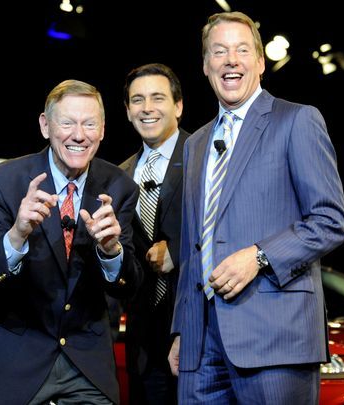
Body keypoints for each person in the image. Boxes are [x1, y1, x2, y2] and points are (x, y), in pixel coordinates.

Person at [168, 11, 344, 404]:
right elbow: (192, 245)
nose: (230, 60)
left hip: (275, 339)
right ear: (205, 66)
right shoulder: (195, 144)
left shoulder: (297, 120)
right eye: (219, 51)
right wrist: (184, 329)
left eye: (241, 50)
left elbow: (331, 220)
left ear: (261, 61)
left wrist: (260, 256)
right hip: (202, 347)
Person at [0, 79, 143, 405]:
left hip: (85, 359)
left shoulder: (119, 187)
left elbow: (128, 286)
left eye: (90, 124)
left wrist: (111, 252)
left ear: (103, 130)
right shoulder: (4, 181)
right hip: (16, 355)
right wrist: (17, 234)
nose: (79, 135)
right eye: (68, 123)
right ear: (45, 126)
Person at [119, 63, 189, 405]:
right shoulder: (118, 176)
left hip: (195, 333)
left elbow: (232, 229)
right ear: (128, 111)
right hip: (141, 341)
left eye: (158, 98)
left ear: (178, 106)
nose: (147, 108)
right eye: (137, 100)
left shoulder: (207, 158)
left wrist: (179, 250)